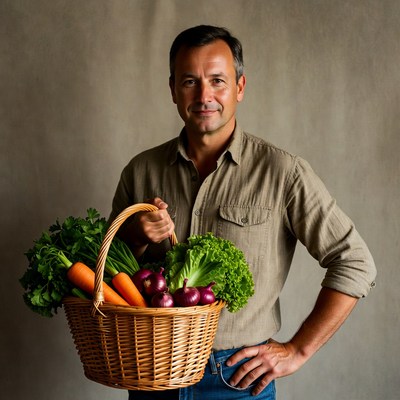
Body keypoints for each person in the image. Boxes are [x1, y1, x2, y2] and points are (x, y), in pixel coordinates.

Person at [108, 25, 377, 400]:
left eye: (218, 80)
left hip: (235, 380)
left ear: (240, 87)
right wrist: (136, 237)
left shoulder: (283, 172)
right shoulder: (140, 171)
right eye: (190, 81)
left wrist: (298, 350)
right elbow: (103, 278)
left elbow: (355, 262)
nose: (204, 95)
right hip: (152, 373)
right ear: (172, 89)